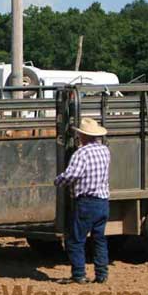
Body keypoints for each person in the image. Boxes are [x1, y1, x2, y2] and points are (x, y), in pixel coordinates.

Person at [54, 117, 111, 284]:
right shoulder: (105, 151)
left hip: (86, 202)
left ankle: (79, 274)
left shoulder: (81, 153)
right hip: (103, 201)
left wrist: (58, 180)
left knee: (75, 239)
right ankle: (101, 274)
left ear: (82, 136)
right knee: (99, 238)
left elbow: (73, 174)